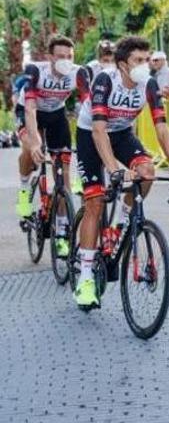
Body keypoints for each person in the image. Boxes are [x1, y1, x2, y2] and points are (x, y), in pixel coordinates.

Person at [73, 36, 169, 309]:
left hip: (122, 134)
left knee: (147, 170)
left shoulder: (148, 84)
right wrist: (114, 171)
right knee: (95, 203)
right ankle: (86, 278)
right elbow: (99, 130)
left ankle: (122, 224)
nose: (145, 65)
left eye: (147, 60)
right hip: (91, 134)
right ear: (124, 65)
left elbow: (161, 127)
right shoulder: (105, 80)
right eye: (139, 60)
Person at [14, 35, 91, 260]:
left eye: (69, 56)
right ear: (49, 57)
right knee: (30, 149)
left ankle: (61, 232)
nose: (65, 60)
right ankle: (24, 189)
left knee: (64, 178)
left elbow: (88, 106)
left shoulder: (79, 73)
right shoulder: (35, 70)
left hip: (56, 115)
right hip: (30, 112)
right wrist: (36, 141)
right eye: (60, 56)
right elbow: (29, 109)